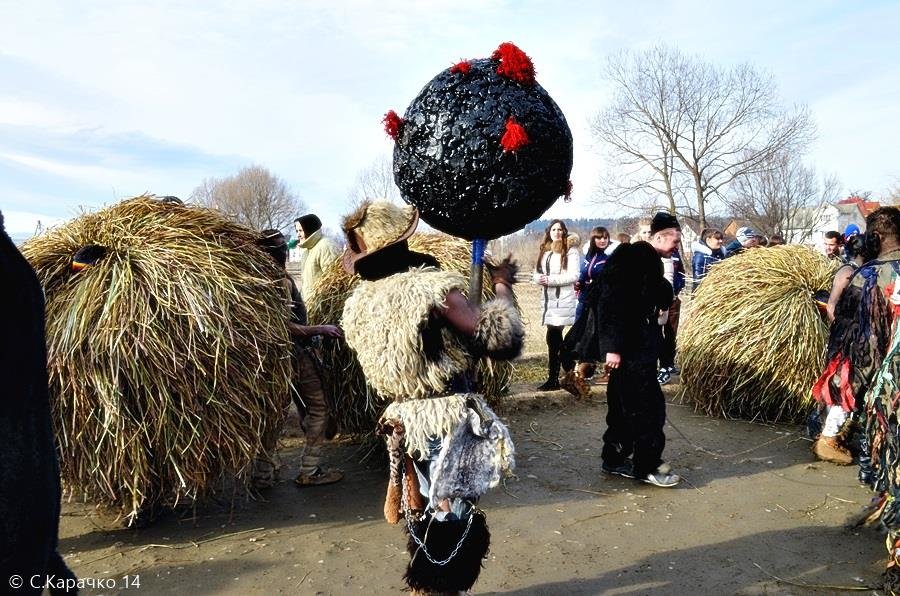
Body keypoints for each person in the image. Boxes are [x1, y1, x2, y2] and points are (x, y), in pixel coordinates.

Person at [339, 200, 522, 594]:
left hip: (402, 419)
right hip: (443, 418)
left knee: (421, 506)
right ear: (402, 239)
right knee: (450, 513)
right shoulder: (432, 289)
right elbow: (501, 338)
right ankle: (440, 587)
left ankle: (425, 586)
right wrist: (503, 284)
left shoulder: (358, 303)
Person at [596, 211, 682, 488]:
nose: (677, 245)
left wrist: (665, 289)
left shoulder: (649, 261)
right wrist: (613, 348)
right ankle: (647, 465)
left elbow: (654, 294)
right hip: (629, 349)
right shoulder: (632, 257)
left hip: (638, 347)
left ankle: (615, 457)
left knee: (624, 405)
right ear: (659, 236)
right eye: (675, 240)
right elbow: (612, 302)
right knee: (647, 408)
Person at [256, 229, 344, 487]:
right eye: (281, 248)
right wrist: (320, 329)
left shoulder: (255, 280)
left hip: (270, 358)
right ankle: (310, 469)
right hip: (294, 354)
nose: (285, 251)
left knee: (273, 413)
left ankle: (261, 474)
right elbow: (282, 325)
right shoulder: (279, 281)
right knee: (318, 407)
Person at [810, 233, 870, 464]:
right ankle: (827, 438)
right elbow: (832, 304)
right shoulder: (848, 272)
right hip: (847, 337)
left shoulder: (867, 271)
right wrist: (845, 334)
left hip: (856, 335)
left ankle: (838, 433)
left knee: (850, 388)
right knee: (841, 385)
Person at [532, 219, 580, 391]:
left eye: (560, 229)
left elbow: (574, 275)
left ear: (564, 232)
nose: (557, 232)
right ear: (549, 232)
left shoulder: (570, 250)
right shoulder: (545, 250)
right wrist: (539, 279)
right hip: (548, 302)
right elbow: (537, 273)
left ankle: (557, 376)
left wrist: (550, 281)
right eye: (554, 229)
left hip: (562, 300)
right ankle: (568, 372)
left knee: (553, 338)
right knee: (553, 339)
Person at [292, 214, 339, 302]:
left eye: (301, 231)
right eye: (297, 231)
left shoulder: (326, 246)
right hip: (310, 307)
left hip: (323, 308)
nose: (298, 235)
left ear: (309, 229)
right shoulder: (307, 250)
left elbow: (334, 282)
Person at [657, 246, 685, 385]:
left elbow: (679, 273)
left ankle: (668, 364)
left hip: (672, 298)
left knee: (671, 332)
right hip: (655, 300)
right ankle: (661, 365)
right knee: (656, 333)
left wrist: (677, 288)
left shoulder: (673, 254)